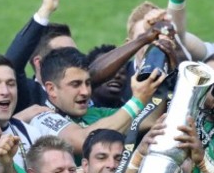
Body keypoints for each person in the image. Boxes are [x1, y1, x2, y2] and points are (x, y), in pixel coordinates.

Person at [29, 47, 164, 158]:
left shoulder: (97, 113)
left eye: (87, 83)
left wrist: (162, 78)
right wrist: (137, 100)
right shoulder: (42, 119)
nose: (86, 92)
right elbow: (83, 141)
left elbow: (150, 119)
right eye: (76, 84)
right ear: (51, 89)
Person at [5, 0, 68, 112]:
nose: (73, 60)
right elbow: (12, 64)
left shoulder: (85, 89)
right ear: (39, 63)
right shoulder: (27, 93)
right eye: (64, 55)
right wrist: (46, 10)